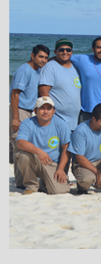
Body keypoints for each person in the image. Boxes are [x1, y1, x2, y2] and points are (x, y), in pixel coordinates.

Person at [10, 44, 50, 188]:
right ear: (32, 56)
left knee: (24, 145)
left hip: (28, 111)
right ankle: (21, 182)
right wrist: (15, 117)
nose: (43, 60)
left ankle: (22, 180)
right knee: (20, 146)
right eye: (40, 57)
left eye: (46, 58)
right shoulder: (25, 70)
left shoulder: (37, 70)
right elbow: (15, 94)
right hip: (19, 110)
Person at [15, 96, 70, 195]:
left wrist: (61, 169)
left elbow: (66, 147)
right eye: (42, 108)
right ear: (35, 111)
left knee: (59, 191)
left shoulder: (61, 124)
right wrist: (39, 152)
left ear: (54, 111)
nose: (45, 112)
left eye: (49, 108)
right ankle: (31, 185)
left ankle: (44, 183)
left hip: (52, 164)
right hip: (35, 161)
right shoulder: (27, 123)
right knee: (22, 155)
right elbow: (20, 143)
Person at [38, 38, 82, 132]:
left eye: (68, 50)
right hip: (56, 120)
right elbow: (43, 92)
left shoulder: (76, 68)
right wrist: (49, 115)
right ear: (55, 52)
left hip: (74, 122)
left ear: (72, 52)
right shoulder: (50, 67)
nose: (65, 52)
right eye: (61, 50)